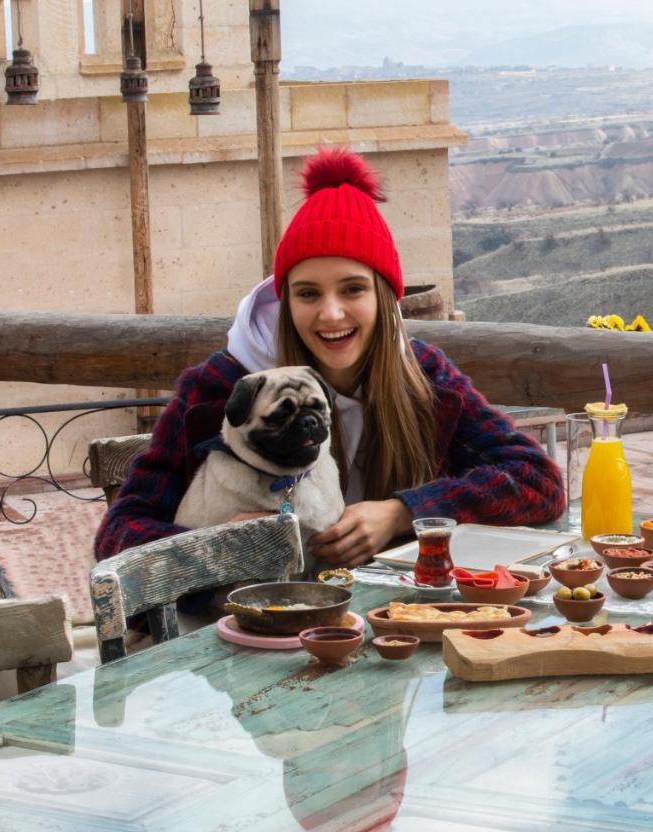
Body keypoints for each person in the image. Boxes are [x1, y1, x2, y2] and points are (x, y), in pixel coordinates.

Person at [95, 147, 564, 567]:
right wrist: (218, 547)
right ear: (284, 302)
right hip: (243, 629)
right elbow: (120, 534)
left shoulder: (424, 376)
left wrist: (404, 512)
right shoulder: (223, 385)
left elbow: (537, 481)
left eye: (353, 289)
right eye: (307, 293)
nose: (331, 313)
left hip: (392, 619)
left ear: (384, 297)